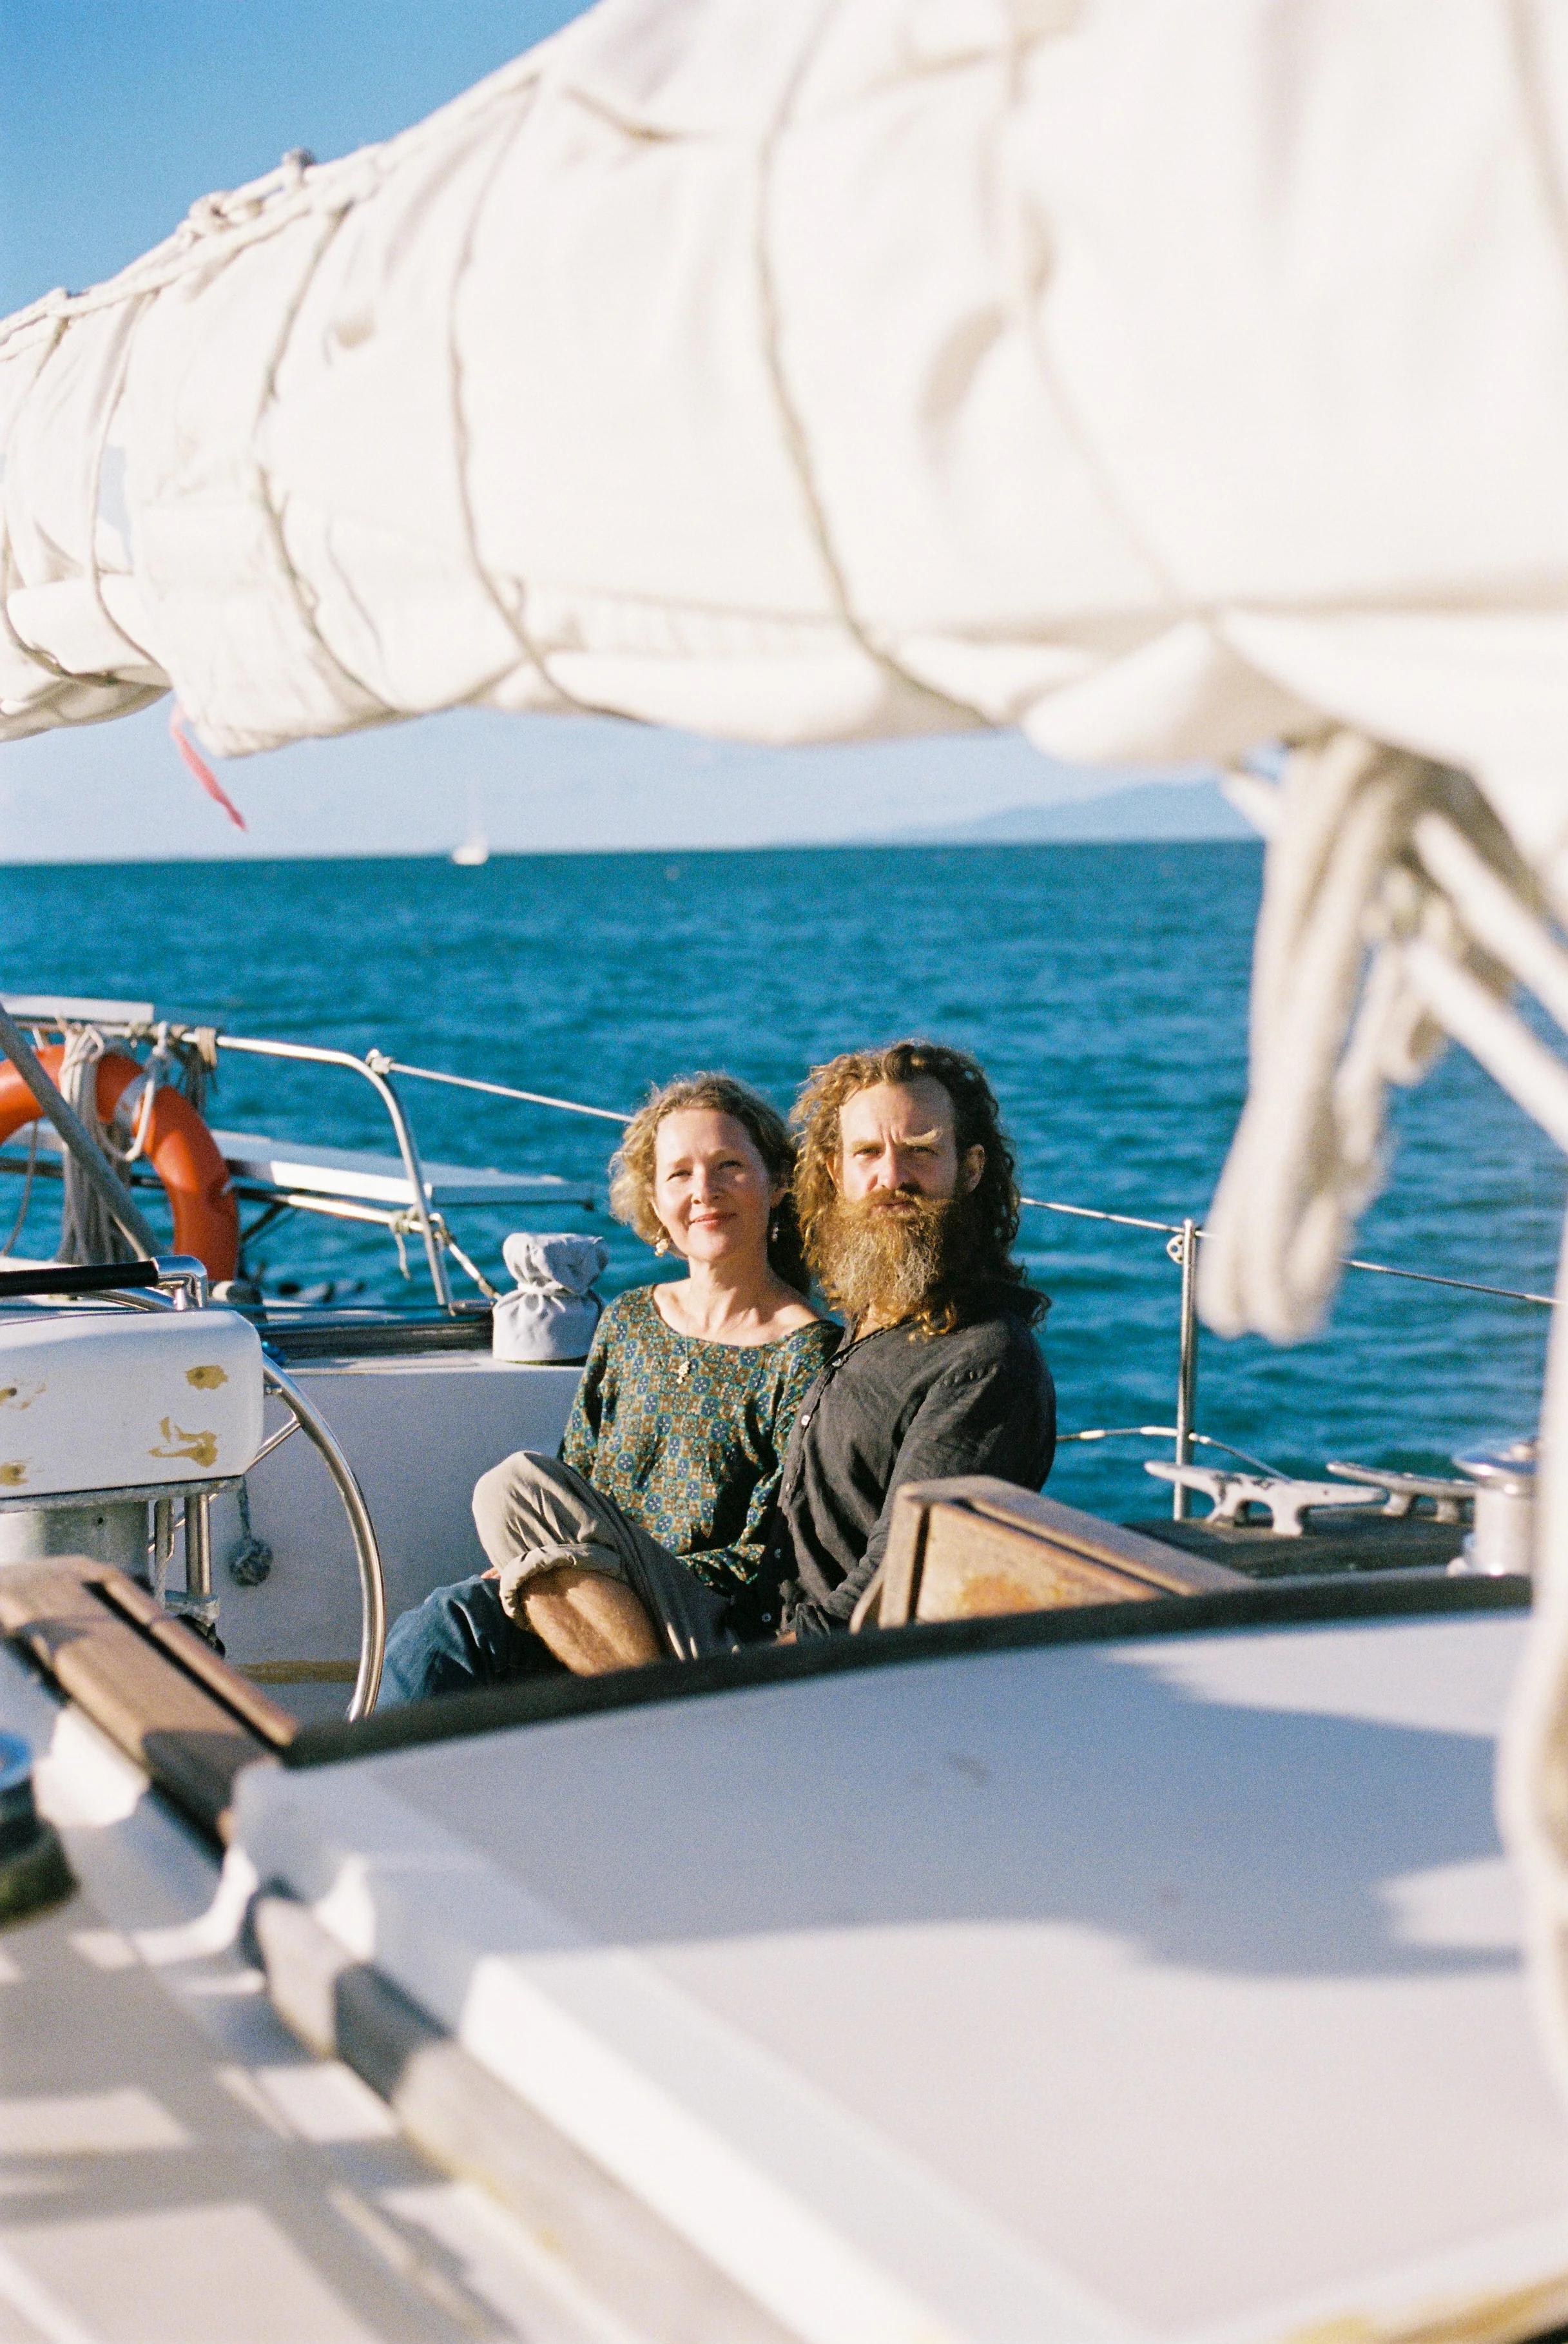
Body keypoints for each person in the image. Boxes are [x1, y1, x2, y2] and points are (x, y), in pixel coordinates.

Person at [379, 1074, 833, 1698]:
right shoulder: (630, 1318)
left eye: (729, 1165)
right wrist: (547, 1569)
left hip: (708, 1621)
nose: (704, 1191)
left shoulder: (805, 1352)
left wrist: (599, 1570)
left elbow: (771, 1557)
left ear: (778, 1182)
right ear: (653, 1197)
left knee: (510, 1486)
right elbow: (582, 1477)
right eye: (680, 1174)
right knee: (440, 1626)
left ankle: (649, 1704)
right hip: (596, 1602)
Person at [762, 1038, 1054, 1637]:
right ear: (836, 1173)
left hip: (813, 1671)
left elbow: (892, 1584)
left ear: (969, 1168)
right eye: (867, 1152)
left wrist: (740, 1679)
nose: (891, 1176)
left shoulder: (982, 1360)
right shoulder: (876, 1315)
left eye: (920, 1151)